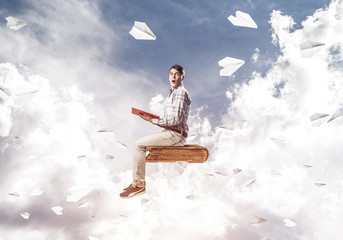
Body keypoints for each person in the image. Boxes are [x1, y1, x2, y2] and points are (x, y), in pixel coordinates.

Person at [120, 64, 191, 198]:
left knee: (138, 145)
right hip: (171, 133)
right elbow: (171, 120)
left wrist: (152, 120)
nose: (173, 76)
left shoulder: (180, 93)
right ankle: (137, 183)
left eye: (176, 74)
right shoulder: (172, 94)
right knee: (140, 144)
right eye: (171, 74)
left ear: (183, 77)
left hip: (176, 135)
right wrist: (150, 118)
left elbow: (175, 120)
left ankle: (139, 185)